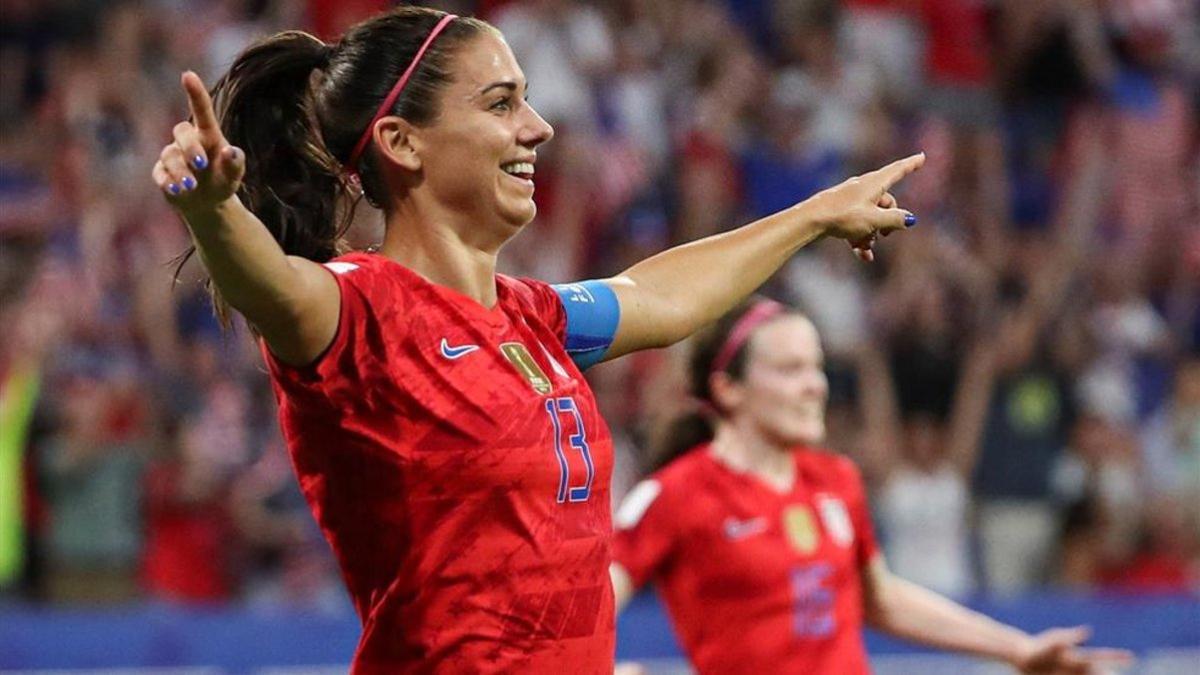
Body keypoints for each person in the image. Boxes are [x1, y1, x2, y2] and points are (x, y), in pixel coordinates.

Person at [152, 6, 920, 672]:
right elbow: (270, 286)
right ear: (401, 141)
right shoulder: (356, 309)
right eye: (501, 103)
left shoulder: (533, 318)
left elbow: (657, 295)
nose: (538, 127)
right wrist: (212, 209)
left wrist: (815, 214)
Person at [610, 300, 1134, 675]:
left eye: (816, 368)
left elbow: (878, 598)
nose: (816, 385)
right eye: (791, 370)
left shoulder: (835, 479)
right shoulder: (676, 493)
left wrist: (1017, 650)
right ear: (729, 389)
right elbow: (585, 605)